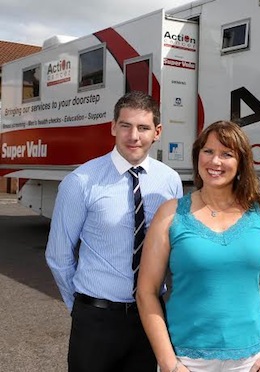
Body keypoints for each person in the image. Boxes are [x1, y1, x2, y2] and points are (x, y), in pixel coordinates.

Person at [45, 91, 183, 372]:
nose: (134, 136)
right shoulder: (81, 181)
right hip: (96, 318)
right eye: (125, 125)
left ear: (157, 132)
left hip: (150, 317)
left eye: (143, 128)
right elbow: (59, 255)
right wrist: (80, 309)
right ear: (113, 127)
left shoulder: (170, 181)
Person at [136, 120, 260, 372]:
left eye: (226, 154)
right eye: (208, 151)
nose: (215, 162)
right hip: (186, 360)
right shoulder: (171, 214)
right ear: (197, 157)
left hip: (249, 360)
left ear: (241, 163)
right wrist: (168, 362)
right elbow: (146, 292)